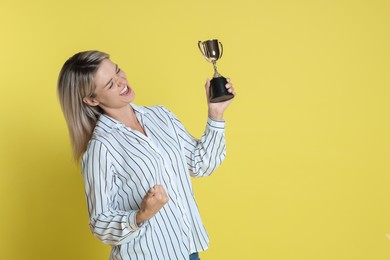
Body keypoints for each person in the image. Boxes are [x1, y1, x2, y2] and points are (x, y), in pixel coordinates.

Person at [57, 50, 235, 260]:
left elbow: (200, 164)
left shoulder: (161, 116)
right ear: (91, 100)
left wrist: (216, 114)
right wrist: (141, 214)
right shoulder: (101, 147)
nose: (122, 81)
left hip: (187, 251)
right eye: (110, 84)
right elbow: (100, 223)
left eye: (117, 71)